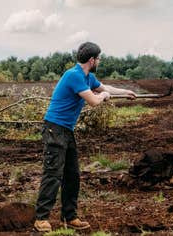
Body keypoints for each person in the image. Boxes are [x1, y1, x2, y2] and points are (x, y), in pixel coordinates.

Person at [34, 42, 136, 233]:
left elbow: (105, 88)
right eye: (99, 59)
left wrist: (125, 92)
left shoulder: (88, 77)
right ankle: (41, 218)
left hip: (66, 130)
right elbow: (94, 101)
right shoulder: (74, 76)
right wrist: (104, 96)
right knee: (53, 173)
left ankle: (69, 216)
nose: (99, 61)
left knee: (72, 175)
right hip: (54, 129)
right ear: (92, 60)